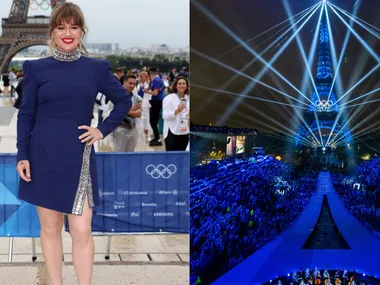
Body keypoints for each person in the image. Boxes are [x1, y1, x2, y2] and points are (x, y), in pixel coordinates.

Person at [15, 3, 132, 285]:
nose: (68, 33)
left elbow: (124, 101)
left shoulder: (96, 68)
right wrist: (22, 154)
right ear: (52, 32)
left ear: (82, 31)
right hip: (42, 156)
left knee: (81, 230)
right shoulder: (35, 68)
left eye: (74, 27)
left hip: (78, 155)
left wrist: (101, 130)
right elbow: (26, 114)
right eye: (61, 27)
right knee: (50, 228)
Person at [102, 74, 143, 152]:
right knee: (118, 154)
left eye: (134, 84)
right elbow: (111, 114)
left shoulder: (138, 98)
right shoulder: (116, 97)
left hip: (133, 130)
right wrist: (131, 110)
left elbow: (139, 114)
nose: (132, 85)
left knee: (130, 154)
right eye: (130, 83)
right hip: (119, 130)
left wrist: (123, 111)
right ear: (124, 83)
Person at [162, 76, 189, 151]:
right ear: (176, 86)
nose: (182, 85)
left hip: (184, 131)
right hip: (172, 132)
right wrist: (177, 111)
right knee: (172, 157)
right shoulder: (169, 98)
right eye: (179, 83)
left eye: (184, 83)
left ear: (186, 86)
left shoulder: (188, 98)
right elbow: (165, 116)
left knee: (182, 155)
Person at [145, 67, 164, 146]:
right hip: (154, 101)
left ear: (150, 73)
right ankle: (156, 137)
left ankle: (158, 139)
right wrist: (146, 89)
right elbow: (149, 87)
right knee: (152, 120)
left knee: (153, 120)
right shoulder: (153, 80)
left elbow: (155, 93)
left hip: (157, 101)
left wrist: (147, 92)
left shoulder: (157, 80)